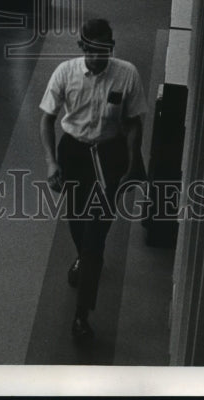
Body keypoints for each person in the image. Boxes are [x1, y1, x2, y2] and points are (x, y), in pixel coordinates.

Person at [39, 18, 147, 346]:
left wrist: (132, 158)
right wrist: (51, 162)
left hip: (109, 157)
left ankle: (81, 315)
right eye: (95, 50)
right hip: (74, 154)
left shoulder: (127, 74)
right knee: (76, 221)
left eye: (107, 49)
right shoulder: (65, 74)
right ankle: (82, 257)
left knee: (95, 238)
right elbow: (47, 119)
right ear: (83, 47)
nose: (101, 57)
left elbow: (132, 123)